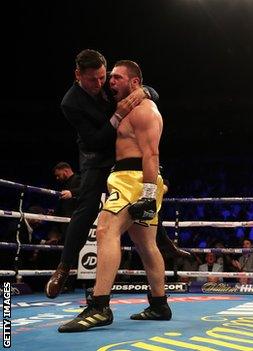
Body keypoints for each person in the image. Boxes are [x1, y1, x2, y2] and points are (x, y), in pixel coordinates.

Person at [46, 49, 188, 299]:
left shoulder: (112, 83)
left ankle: (164, 245)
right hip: (95, 158)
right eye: (93, 79)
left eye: (104, 77)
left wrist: (144, 92)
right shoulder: (71, 102)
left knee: (150, 181)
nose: (101, 84)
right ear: (78, 75)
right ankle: (64, 267)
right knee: (87, 207)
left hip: (123, 157)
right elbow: (93, 140)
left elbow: (143, 87)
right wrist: (119, 114)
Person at [59, 60, 170, 332]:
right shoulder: (126, 107)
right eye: (111, 77)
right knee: (146, 244)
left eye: (117, 78)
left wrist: (146, 193)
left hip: (133, 179)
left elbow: (151, 153)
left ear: (134, 83)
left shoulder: (144, 110)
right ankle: (159, 304)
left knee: (106, 229)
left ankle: (99, 306)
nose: (111, 82)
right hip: (131, 179)